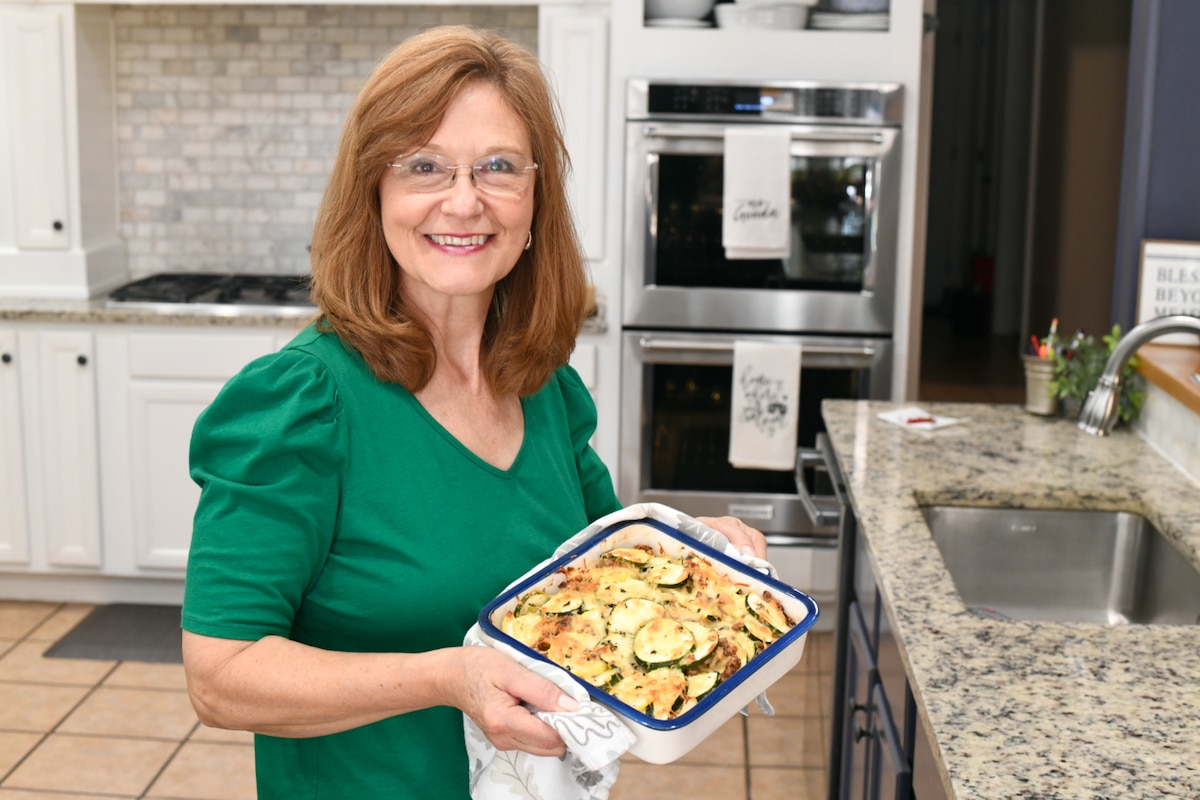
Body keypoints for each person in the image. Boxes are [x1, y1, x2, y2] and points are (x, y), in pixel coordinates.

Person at [180, 25, 767, 800]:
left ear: (533, 204)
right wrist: (448, 677)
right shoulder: (303, 404)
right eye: (424, 166)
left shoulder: (545, 388)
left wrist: (700, 557)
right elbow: (221, 677)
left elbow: (606, 576)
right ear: (374, 193)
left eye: (498, 168)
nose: (464, 201)